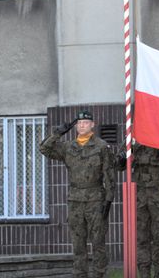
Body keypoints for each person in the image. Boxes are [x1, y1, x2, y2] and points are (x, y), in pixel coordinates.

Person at [39, 110, 115, 278]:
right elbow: (44, 148)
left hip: (96, 199)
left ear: (92, 125)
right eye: (79, 123)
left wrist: (108, 201)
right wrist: (58, 133)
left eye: (86, 122)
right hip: (75, 201)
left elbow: (110, 175)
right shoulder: (68, 147)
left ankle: (99, 275)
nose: (82, 125)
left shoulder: (102, 147)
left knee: (98, 243)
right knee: (78, 245)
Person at [116, 141, 159, 278]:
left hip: (158, 191)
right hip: (139, 191)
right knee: (141, 237)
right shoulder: (133, 136)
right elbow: (119, 165)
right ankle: (144, 274)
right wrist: (122, 157)